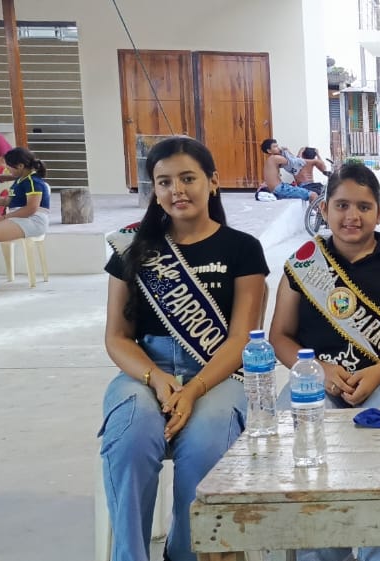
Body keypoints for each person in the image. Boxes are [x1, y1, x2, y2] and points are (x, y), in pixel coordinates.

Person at [100, 136, 268, 561]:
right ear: (154, 190)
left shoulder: (243, 248)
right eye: (164, 182)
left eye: (188, 178)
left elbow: (242, 339)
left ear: (213, 182)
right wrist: (156, 379)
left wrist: (192, 390)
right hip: (145, 371)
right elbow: (116, 337)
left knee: (207, 443)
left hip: (217, 374)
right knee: (131, 438)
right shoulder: (132, 248)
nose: (177, 190)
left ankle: (185, 553)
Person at [268, 161, 380, 561]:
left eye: (363, 206)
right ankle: (321, 550)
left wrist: (378, 372)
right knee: (303, 441)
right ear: (324, 209)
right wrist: (318, 370)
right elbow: (280, 337)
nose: (352, 216)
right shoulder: (303, 263)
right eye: (341, 205)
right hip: (319, 379)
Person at [260, 138, 318, 202]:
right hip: (280, 189)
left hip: (278, 188)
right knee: (313, 195)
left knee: (308, 193)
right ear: (269, 151)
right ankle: (316, 208)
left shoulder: (271, 160)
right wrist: (288, 151)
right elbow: (294, 163)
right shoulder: (275, 158)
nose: (278, 148)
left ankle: (312, 208)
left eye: (277, 146)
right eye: (275, 147)